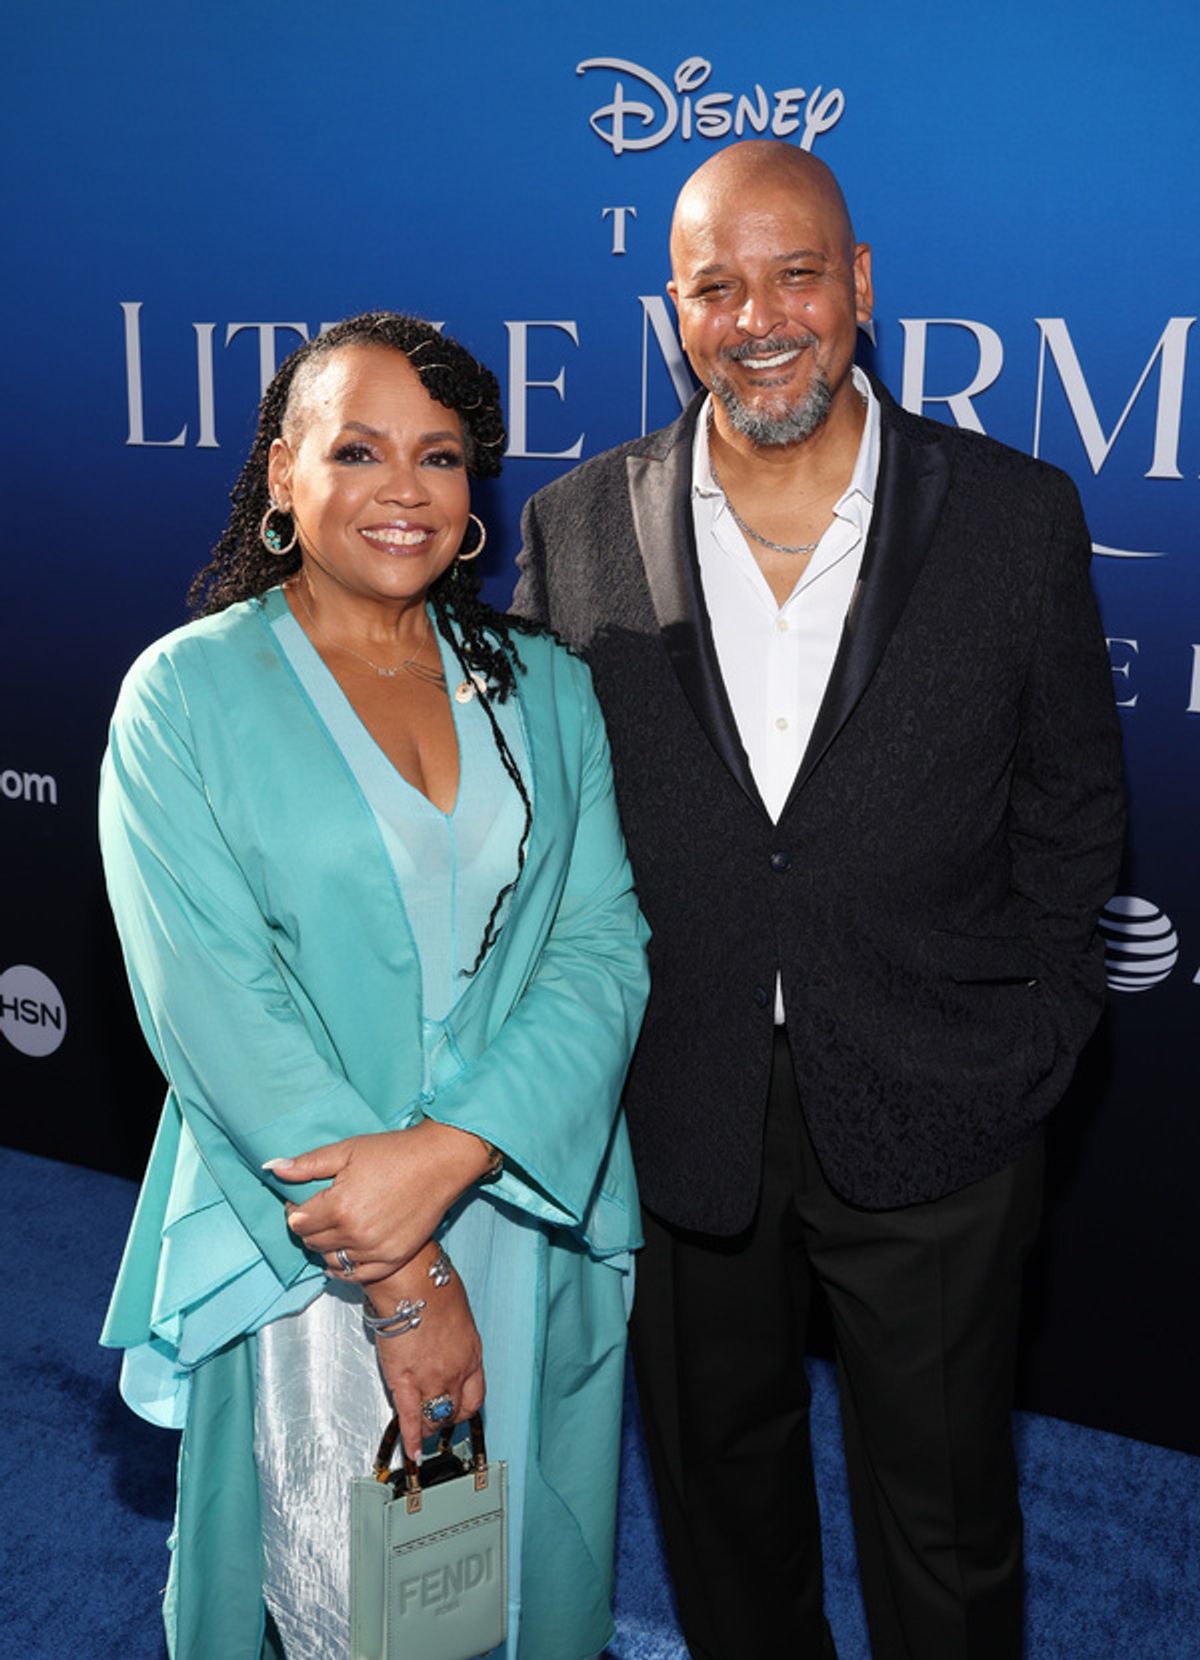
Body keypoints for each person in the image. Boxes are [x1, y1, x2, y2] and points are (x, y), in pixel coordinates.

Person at [512, 142, 1125, 1660]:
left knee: (946, 1522)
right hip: (675, 1111)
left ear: (860, 286)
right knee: (720, 1511)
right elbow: (540, 820)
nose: (760, 316)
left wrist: (1035, 1042)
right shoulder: (577, 526)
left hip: (940, 1100)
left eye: (797, 273)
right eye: (718, 284)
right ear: (675, 310)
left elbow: (1074, 803)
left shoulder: (1015, 515)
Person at [99, 311, 649, 1660]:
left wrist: (457, 1149)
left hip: (524, 1198)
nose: (405, 487)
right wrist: (403, 1273)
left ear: (475, 501)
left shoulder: (548, 691)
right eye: (357, 448)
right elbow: (216, 1008)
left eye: (443, 456)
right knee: (356, 1599)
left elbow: (602, 947)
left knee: (499, 1581)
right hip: (315, 1232)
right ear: (283, 475)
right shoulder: (186, 697)